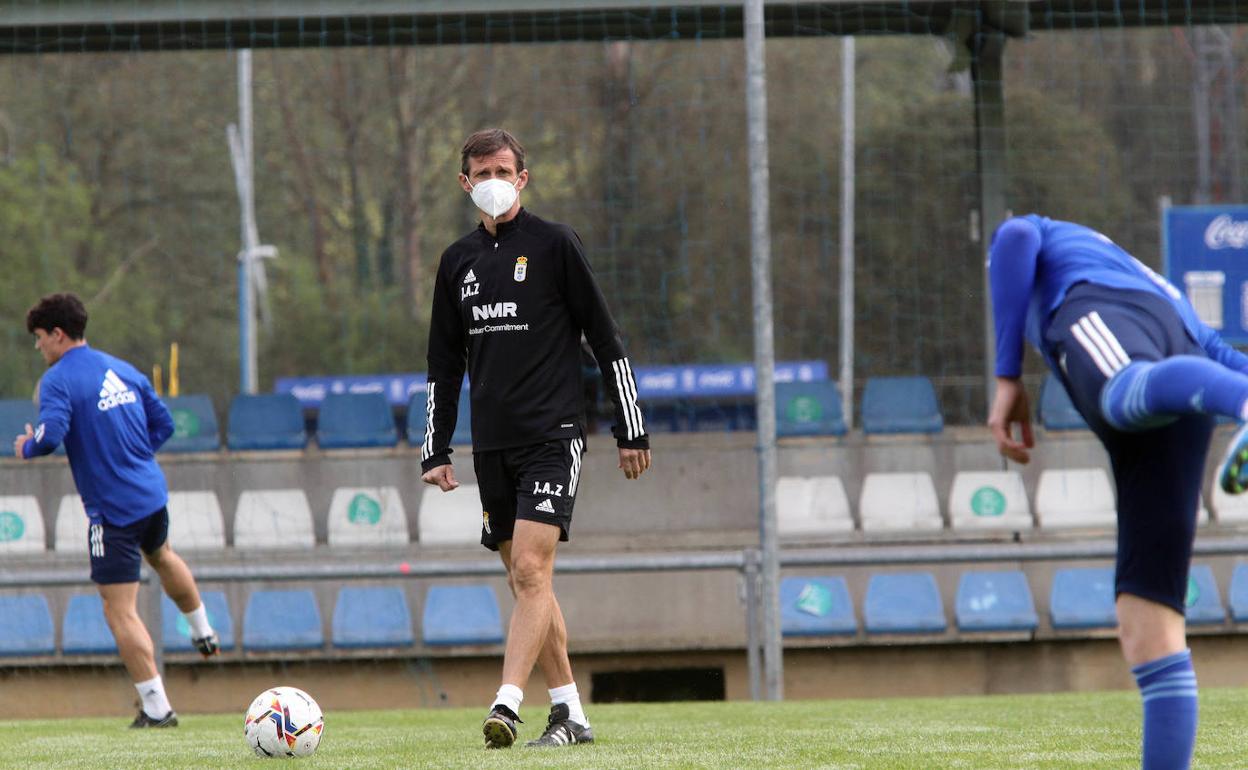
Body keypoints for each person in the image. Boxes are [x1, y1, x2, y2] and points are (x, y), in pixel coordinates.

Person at [987, 214, 1248, 770]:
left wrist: (1007, 374)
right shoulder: (1155, 285)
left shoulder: (1068, 257)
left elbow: (1013, 237)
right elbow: (1215, 356)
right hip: (1179, 400)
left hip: (1122, 341)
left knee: (1121, 389)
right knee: (1150, 631)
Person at [421, 128, 651, 749]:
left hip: (553, 434)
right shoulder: (456, 262)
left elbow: (606, 340)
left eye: (503, 169)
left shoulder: (556, 245)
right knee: (530, 584)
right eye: (480, 171)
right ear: (465, 182)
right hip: (491, 443)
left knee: (529, 568)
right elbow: (443, 364)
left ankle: (507, 702)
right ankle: (571, 712)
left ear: (522, 177)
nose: (492, 179)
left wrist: (631, 427)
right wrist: (435, 449)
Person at [14, 293, 219, 728]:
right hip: (151, 495)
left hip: (112, 511)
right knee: (162, 554)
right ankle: (203, 630)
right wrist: (134, 458)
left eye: (38, 338)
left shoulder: (58, 380)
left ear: (57, 334)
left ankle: (157, 708)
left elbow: (50, 437)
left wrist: (26, 447)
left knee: (118, 609)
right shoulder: (123, 369)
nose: (38, 348)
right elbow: (162, 424)